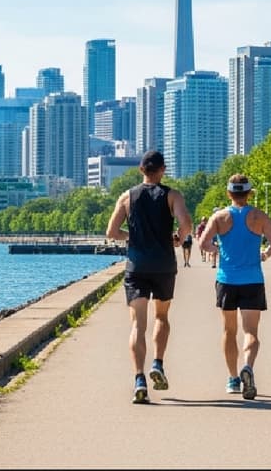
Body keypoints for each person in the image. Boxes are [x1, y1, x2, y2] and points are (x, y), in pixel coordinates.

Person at [105, 149, 192, 404]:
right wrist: (179, 238)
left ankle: (139, 379)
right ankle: (158, 363)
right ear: (162, 169)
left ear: (141, 170)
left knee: (137, 325)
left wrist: (131, 237)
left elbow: (112, 231)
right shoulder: (172, 195)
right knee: (162, 317)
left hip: (137, 267)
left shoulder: (127, 197)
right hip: (164, 265)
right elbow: (186, 223)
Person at [197, 174, 271, 400]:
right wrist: (264, 255)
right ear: (249, 193)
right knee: (251, 332)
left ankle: (233, 379)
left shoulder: (220, 217)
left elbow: (203, 243)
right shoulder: (259, 216)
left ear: (229, 193)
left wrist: (218, 251)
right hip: (252, 279)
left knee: (229, 331)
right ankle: (249, 367)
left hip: (227, 280)